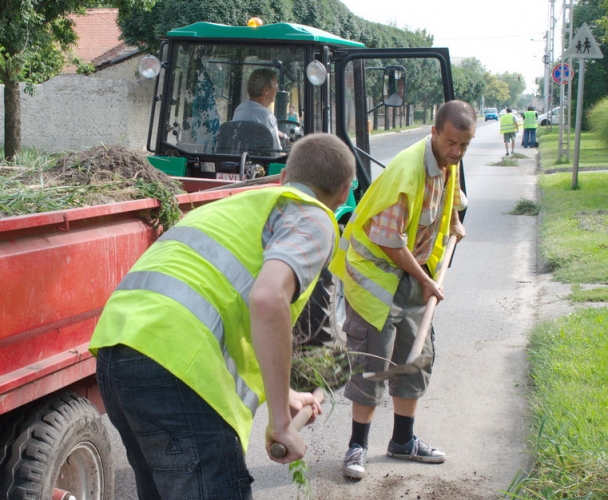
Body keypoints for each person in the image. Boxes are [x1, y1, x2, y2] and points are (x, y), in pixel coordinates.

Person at [90, 133, 356, 500]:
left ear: (282, 178)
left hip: (117, 353)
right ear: (344, 193)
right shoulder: (313, 216)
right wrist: (280, 422)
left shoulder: (238, 207)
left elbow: (226, 307)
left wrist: (285, 395)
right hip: (173, 365)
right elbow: (267, 299)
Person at [330, 100, 474, 479]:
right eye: (451, 143)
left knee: (416, 354)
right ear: (434, 133)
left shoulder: (449, 162)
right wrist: (427, 280)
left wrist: (455, 221)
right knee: (373, 363)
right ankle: (356, 446)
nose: (457, 152)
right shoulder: (407, 172)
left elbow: (448, 199)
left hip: (412, 272)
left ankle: (402, 442)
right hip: (375, 276)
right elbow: (389, 241)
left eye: (464, 145)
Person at [232, 68, 287, 151]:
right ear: (266, 90)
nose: (277, 90)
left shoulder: (239, 110)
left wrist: (283, 136)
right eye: (275, 86)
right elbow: (276, 153)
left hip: (240, 161)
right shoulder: (267, 116)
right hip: (260, 163)